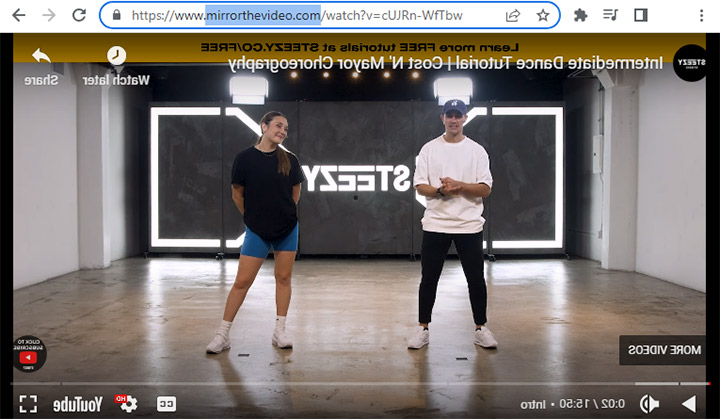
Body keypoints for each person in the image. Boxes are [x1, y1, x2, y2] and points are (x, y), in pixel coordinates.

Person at [207, 111, 306, 354]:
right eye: (278, 126)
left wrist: (282, 214)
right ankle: (222, 335)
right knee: (242, 282)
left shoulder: (290, 160)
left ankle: (279, 331)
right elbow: (237, 194)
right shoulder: (244, 158)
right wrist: (254, 218)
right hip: (257, 230)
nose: (282, 131)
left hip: (287, 228)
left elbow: (295, 193)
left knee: (283, 279)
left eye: (286, 128)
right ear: (264, 126)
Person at [408, 99, 497, 350]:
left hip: (469, 225)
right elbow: (420, 185)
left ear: (465, 118)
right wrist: (441, 191)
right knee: (429, 279)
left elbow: (485, 188)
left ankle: (481, 328)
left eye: (458, 115)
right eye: (450, 115)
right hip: (436, 224)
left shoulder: (477, 151)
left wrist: (460, 186)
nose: (454, 120)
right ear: (443, 118)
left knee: (476, 279)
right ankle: (422, 328)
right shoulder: (429, 149)